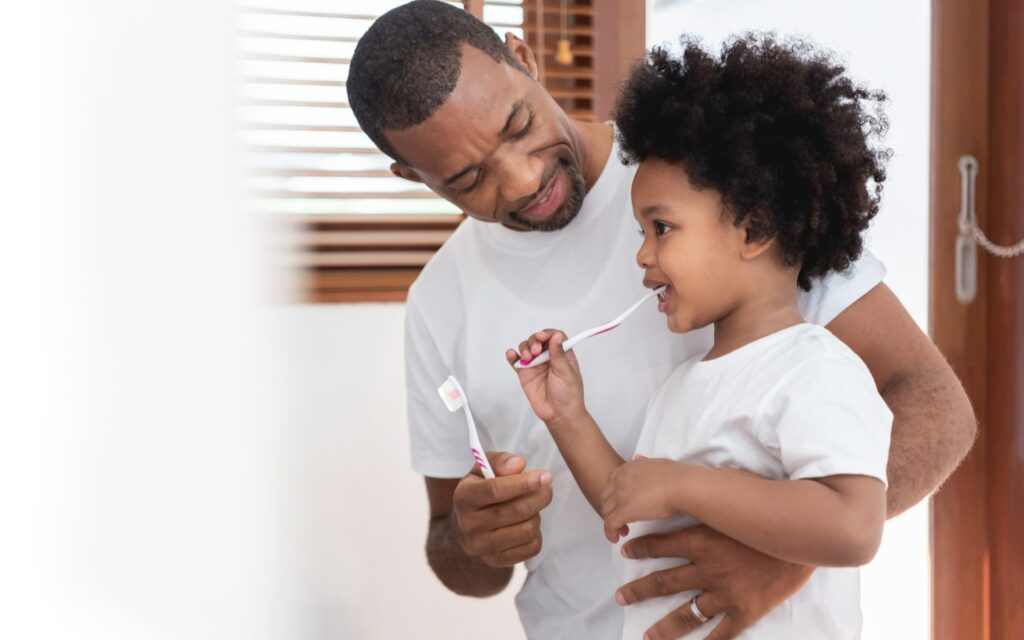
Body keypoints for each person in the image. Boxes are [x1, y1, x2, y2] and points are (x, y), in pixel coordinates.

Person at [345, 2, 976, 638]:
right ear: (412, 176)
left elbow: (936, 404)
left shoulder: (714, 173)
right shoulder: (437, 302)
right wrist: (475, 539)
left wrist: (783, 551)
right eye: (468, 177)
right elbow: (601, 503)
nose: (523, 179)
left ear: (525, 58)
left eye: (517, 126)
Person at [508, 35, 893, 639]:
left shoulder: (815, 368)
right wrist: (567, 416)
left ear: (755, 230)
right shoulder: (686, 385)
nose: (641, 255)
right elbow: (628, 499)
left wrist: (682, 483)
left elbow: (853, 526)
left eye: (661, 228)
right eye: (641, 230)